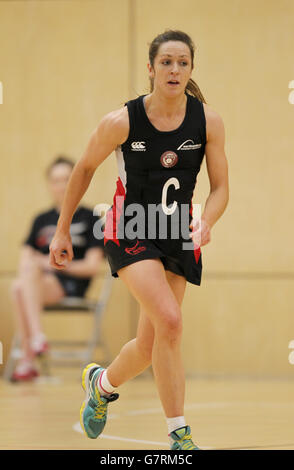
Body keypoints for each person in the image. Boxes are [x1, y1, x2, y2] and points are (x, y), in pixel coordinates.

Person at [49, 30, 229, 450]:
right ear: (150, 69)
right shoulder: (122, 121)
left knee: (151, 344)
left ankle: (101, 384)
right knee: (170, 320)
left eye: (182, 62)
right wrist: (62, 229)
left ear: (190, 69)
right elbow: (83, 169)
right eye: (166, 62)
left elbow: (220, 188)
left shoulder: (208, 121)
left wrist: (208, 222)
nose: (174, 70)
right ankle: (179, 435)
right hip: (130, 225)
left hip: (177, 233)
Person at [10, 156, 104, 382]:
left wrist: (52, 264)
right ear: (49, 184)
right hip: (38, 283)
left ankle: (29, 357)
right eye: (56, 180)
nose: (61, 185)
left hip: (71, 285)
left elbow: (92, 266)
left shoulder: (91, 218)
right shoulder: (41, 219)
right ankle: (36, 340)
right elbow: (25, 259)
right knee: (18, 285)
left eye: (66, 179)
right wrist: (37, 265)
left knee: (19, 287)